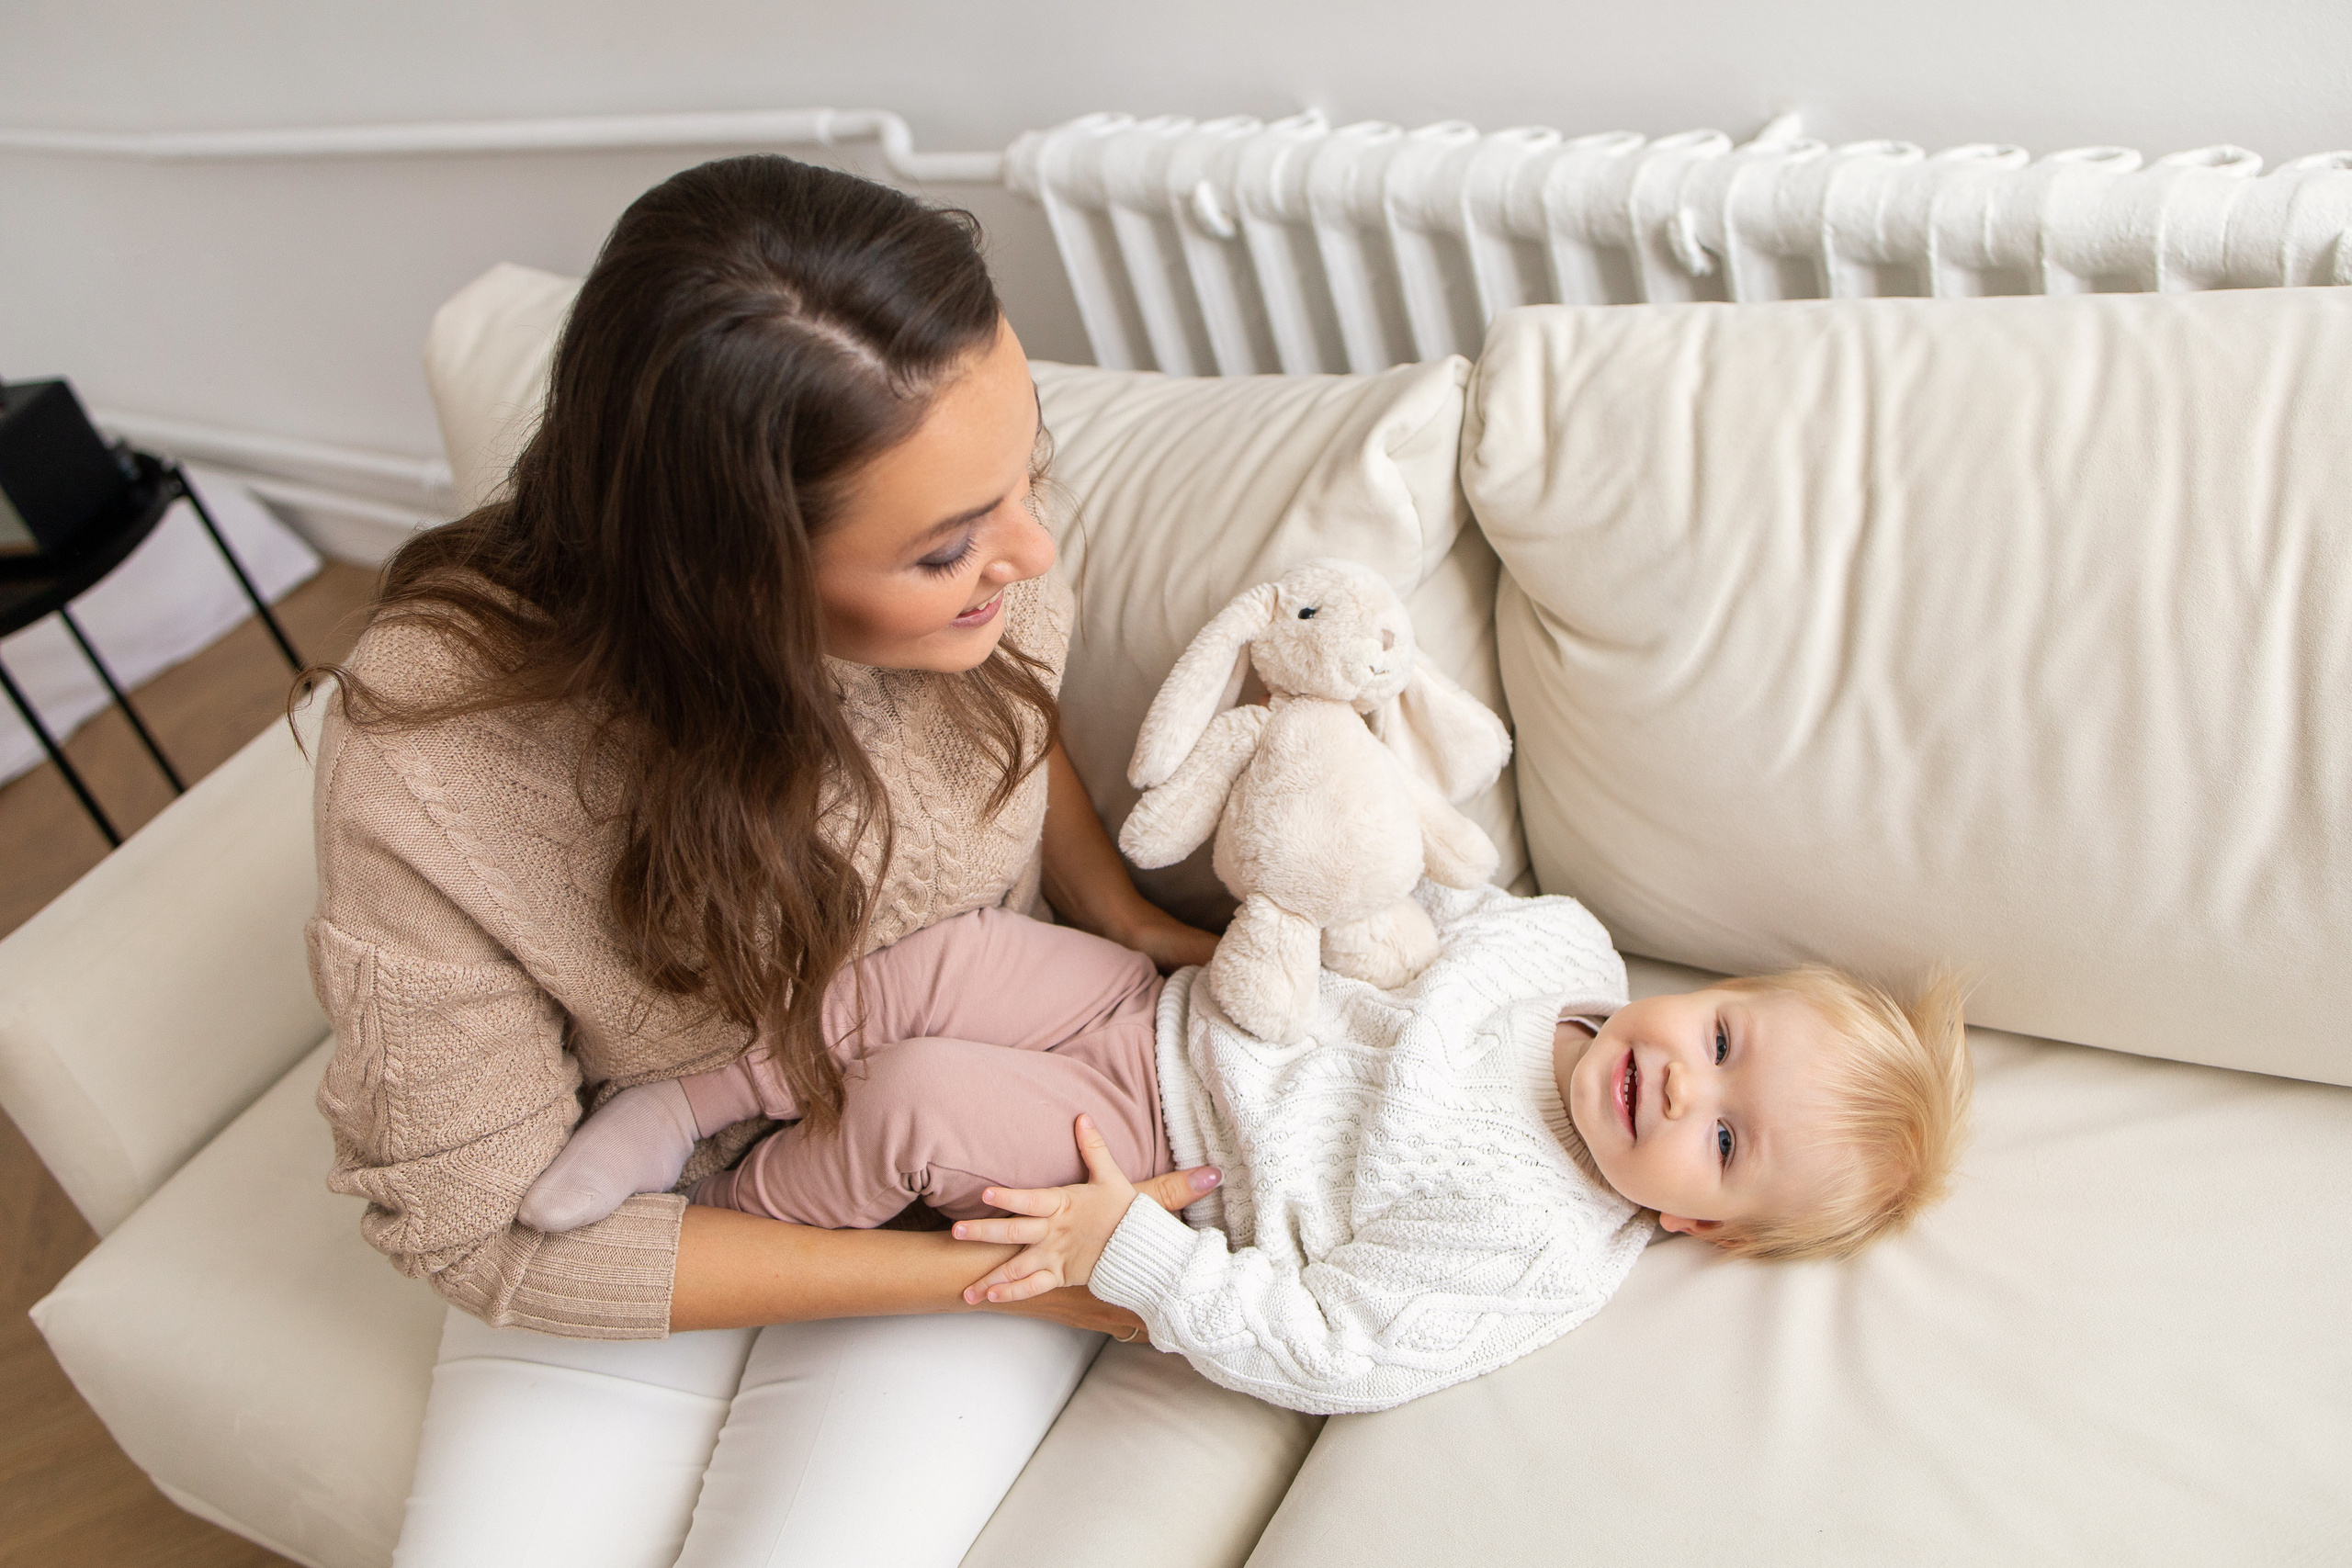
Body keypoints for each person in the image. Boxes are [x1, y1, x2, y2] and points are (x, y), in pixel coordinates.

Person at [305, 153, 1222, 1565]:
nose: (1031, 553)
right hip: (634, 1196)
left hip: (969, 1141)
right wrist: (950, 1279)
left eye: (1026, 470)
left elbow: (1018, 747)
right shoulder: (435, 757)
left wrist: (1120, 914)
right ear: (725, 579)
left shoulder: (989, 563)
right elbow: (483, 1228)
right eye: (949, 548)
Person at [525, 885, 1974, 1414]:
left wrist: (1136, 1250)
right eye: (1720, 1039)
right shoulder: (1561, 943)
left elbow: (1336, 1350)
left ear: (1702, 1228)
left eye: (1725, 1143)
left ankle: (739, 1203)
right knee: (939, 960)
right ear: (1714, 992)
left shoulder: (1534, 1244)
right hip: (1154, 1005)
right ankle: (692, 1099)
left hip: (1159, 1149)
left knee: (911, 1102)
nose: (1677, 1084)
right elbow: (1387, 899)